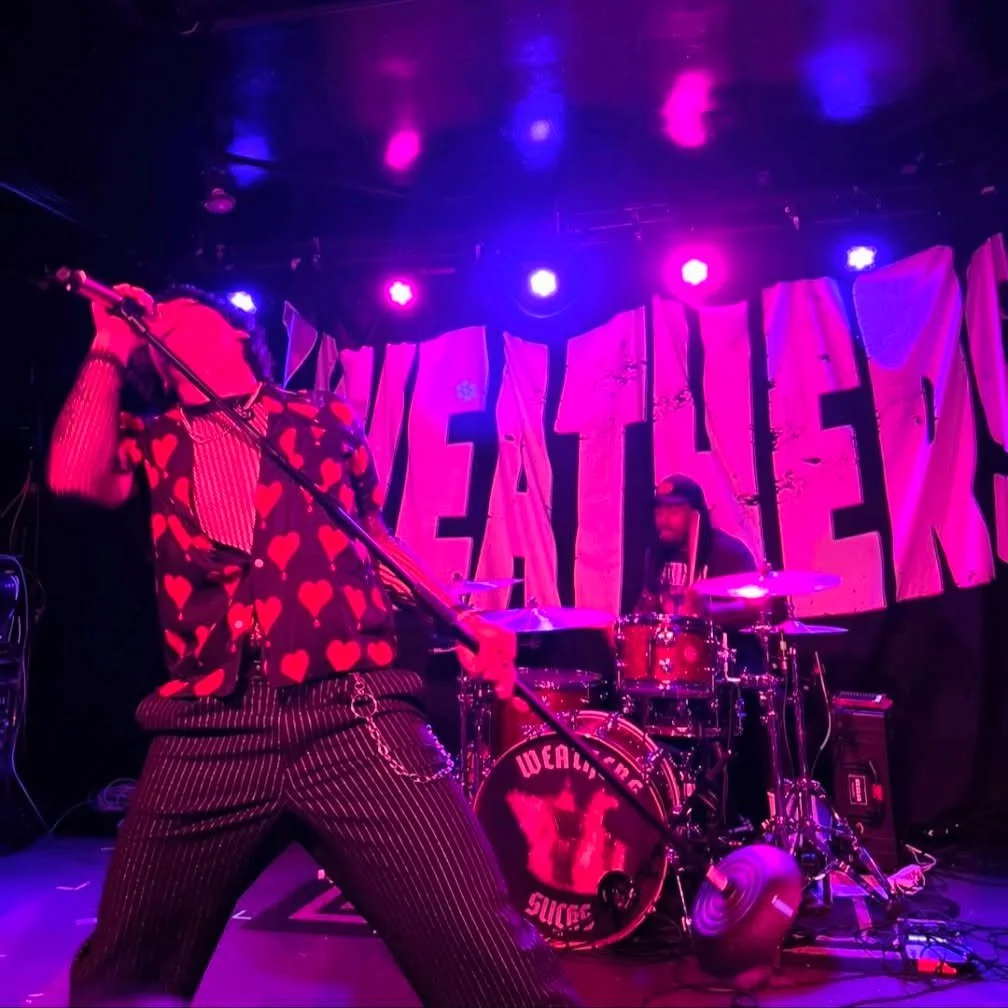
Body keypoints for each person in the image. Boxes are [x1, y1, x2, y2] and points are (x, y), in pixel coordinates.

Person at [47, 284, 580, 1008]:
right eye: (152, 323)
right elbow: (72, 473)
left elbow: (375, 543)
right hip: (208, 728)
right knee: (120, 980)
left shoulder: (319, 416)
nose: (158, 320)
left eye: (177, 310)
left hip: (353, 712)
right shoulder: (154, 439)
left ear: (236, 332)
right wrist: (109, 341)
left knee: (491, 959)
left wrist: (465, 623)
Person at [634, 474, 759, 620]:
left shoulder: (730, 553)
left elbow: (754, 607)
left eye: (673, 512)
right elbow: (649, 606)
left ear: (696, 514)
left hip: (721, 640)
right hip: (671, 640)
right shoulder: (657, 552)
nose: (664, 520)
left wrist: (708, 610)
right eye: (659, 512)